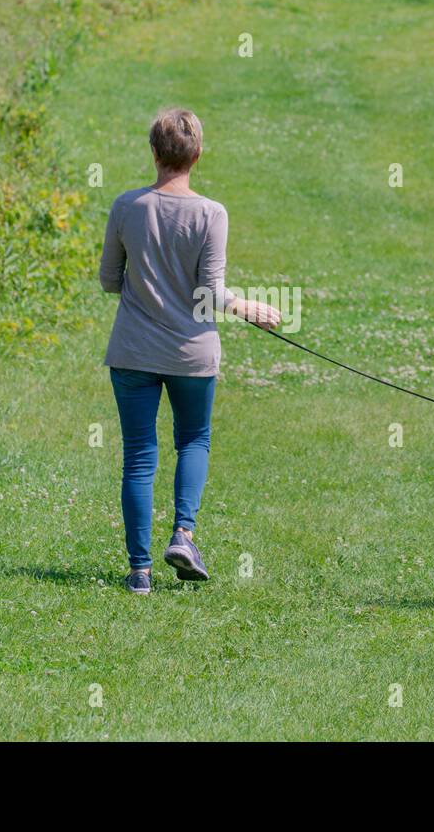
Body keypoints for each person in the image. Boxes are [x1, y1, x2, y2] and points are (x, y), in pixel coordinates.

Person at [99, 108, 281, 594]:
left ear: (154, 153)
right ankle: (183, 534)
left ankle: (140, 571)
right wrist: (249, 307)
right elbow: (211, 292)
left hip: (133, 350)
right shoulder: (210, 213)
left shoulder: (125, 206)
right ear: (196, 155)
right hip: (191, 353)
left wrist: (147, 287)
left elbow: (108, 280)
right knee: (193, 441)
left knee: (139, 456)